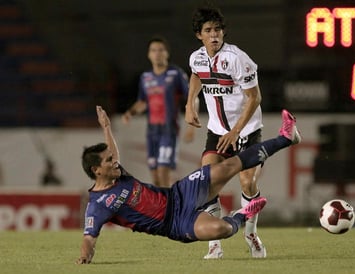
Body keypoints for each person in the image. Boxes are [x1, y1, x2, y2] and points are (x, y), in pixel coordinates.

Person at [76, 106, 300, 264]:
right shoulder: (98, 204)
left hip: (179, 193)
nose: (115, 161)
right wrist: (85, 257)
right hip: (175, 224)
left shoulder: (117, 173)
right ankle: (243, 214)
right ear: (97, 171)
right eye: (108, 161)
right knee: (220, 229)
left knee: (227, 167)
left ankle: (286, 137)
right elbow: (89, 238)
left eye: (112, 158)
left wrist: (106, 127)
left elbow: (113, 152)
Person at [185, 6, 294, 258]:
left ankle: (251, 233)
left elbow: (254, 97)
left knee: (248, 182)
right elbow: (195, 76)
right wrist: (189, 104)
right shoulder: (197, 57)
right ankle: (215, 243)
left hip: (246, 131)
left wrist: (236, 131)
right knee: (208, 181)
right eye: (208, 31)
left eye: (218, 30)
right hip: (217, 132)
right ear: (199, 35)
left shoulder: (237, 58)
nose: (214, 35)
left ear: (223, 32)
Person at [122, 36, 196, 188]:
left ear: (167, 53)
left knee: (164, 173)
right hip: (152, 132)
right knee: (155, 178)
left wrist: (191, 126)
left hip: (168, 131)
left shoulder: (175, 74)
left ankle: (169, 210)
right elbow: (143, 102)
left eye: (161, 50)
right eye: (153, 50)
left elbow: (192, 97)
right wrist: (130, 112)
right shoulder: (145, 77)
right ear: (149, 55)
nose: (157, 53)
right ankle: (165, 207)